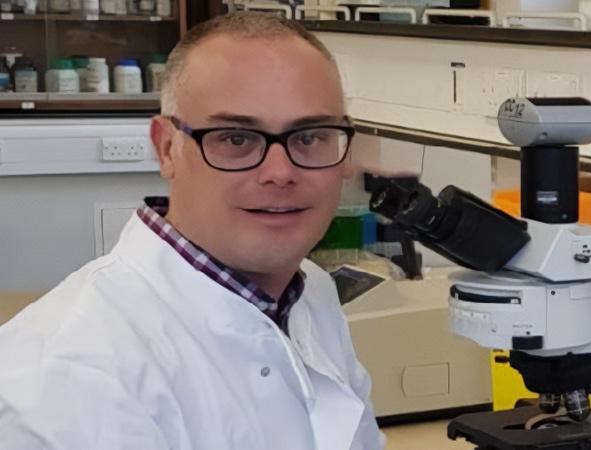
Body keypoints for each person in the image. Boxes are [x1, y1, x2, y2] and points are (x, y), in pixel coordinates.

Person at [0, 12, 384, 450]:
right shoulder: (67, 379)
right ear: (166, 148)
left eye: (311, 136)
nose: (280, 172)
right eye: (236, 139)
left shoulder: (309, 291)